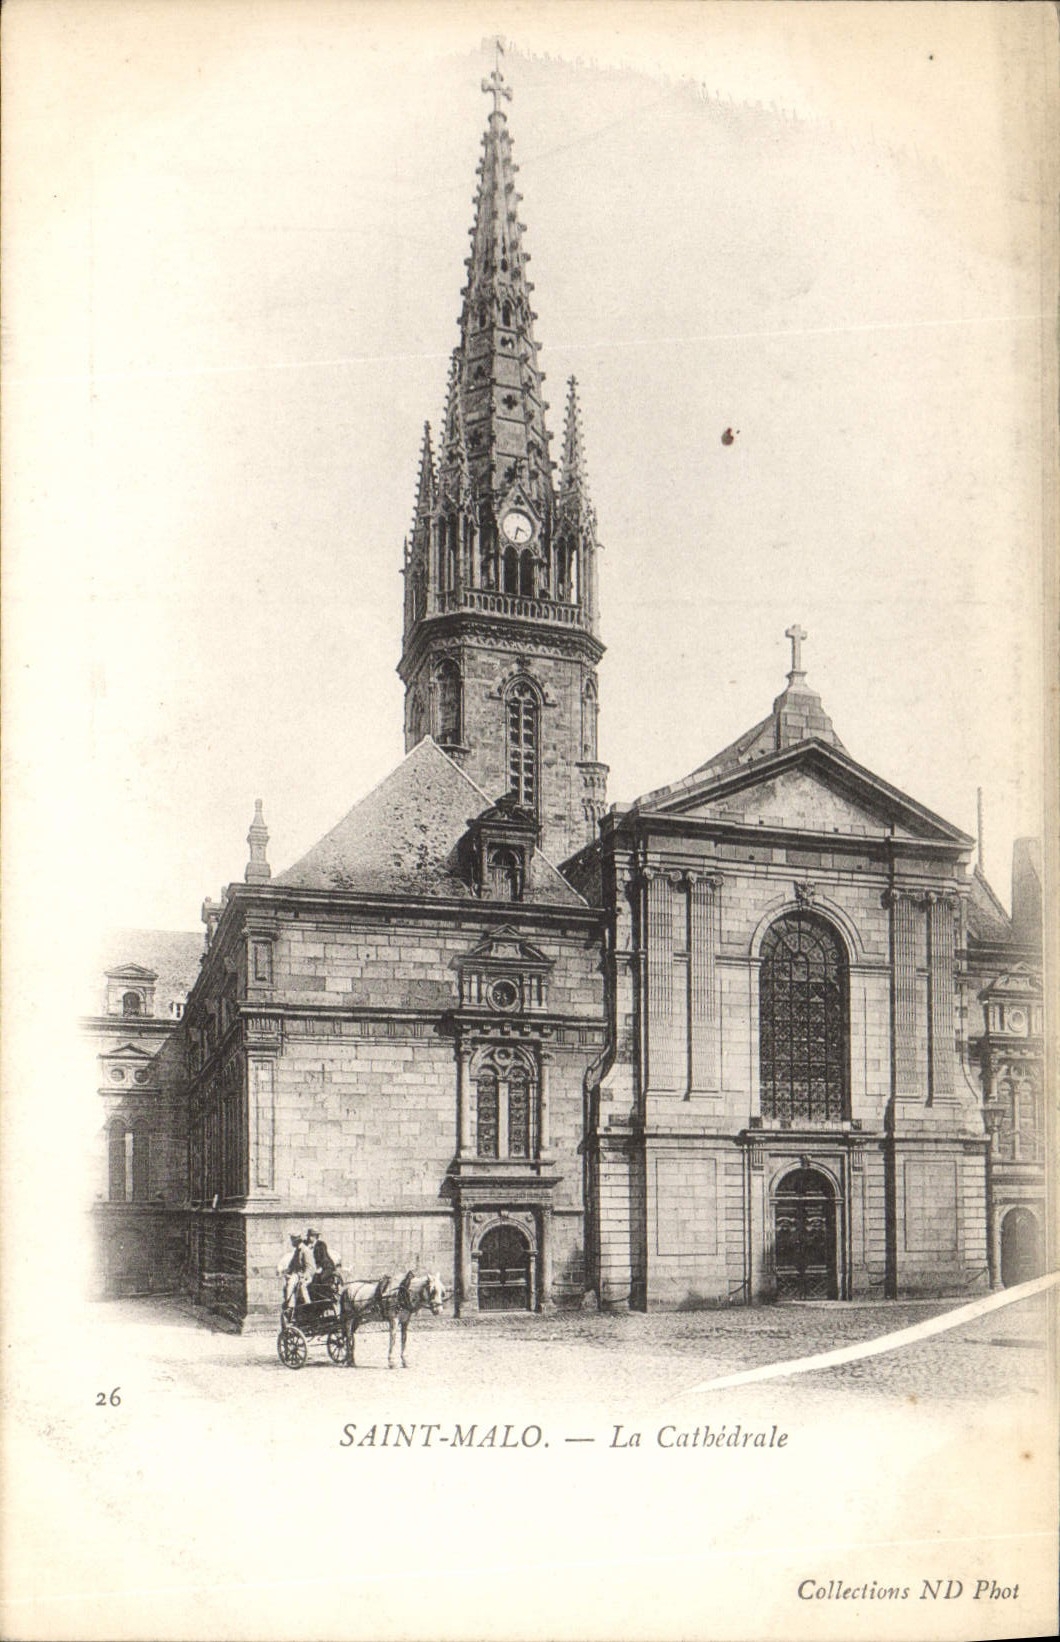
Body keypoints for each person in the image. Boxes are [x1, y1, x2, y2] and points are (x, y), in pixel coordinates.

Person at [278, 1233, 315, 1313]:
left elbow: (310, 1267)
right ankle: (290, 1306)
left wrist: (304, 1276)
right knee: (290, 1283)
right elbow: (292, 1265)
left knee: (300, 1285)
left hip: (305, 1276)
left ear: (296, 1241)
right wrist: (284, 1272)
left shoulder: (305, 1250)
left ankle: (308, 1306)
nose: (291, 1243)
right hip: (297, 1274)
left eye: (292, 1241)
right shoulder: (297, 1251)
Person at [306, 1228, 339, 1300]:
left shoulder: (321, 1245)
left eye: (310, 1236)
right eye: (308, 1236)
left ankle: (329, 1295)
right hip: (318, 1267)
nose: (308, 1238)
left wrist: (321, 1268)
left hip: (327, 1266)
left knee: (321, 1278)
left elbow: (324, 1257)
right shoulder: (310, 1245)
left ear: (315, 1237)